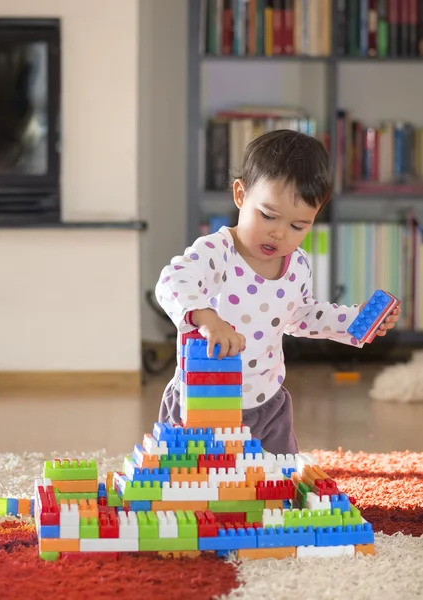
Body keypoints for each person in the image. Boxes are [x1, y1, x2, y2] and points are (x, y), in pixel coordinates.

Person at [154, 129, 400, 454]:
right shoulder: (217, 252)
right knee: (194, 489)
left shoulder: (297, 263)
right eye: (268, 215)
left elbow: (301, 316)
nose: (279, 233)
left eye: (298, 226)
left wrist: (357, 321)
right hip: (204, 401)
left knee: (276, 487)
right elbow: (172, 281)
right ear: (240, 195)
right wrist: (207, 319)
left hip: (268, 402)